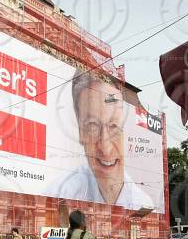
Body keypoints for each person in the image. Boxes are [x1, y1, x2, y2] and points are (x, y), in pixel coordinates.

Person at [51, 71, 154, 211]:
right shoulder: (58, 192)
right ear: (81, 132)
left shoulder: (143, 205)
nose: (105, 148)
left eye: (113, 126)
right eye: (92, 126)